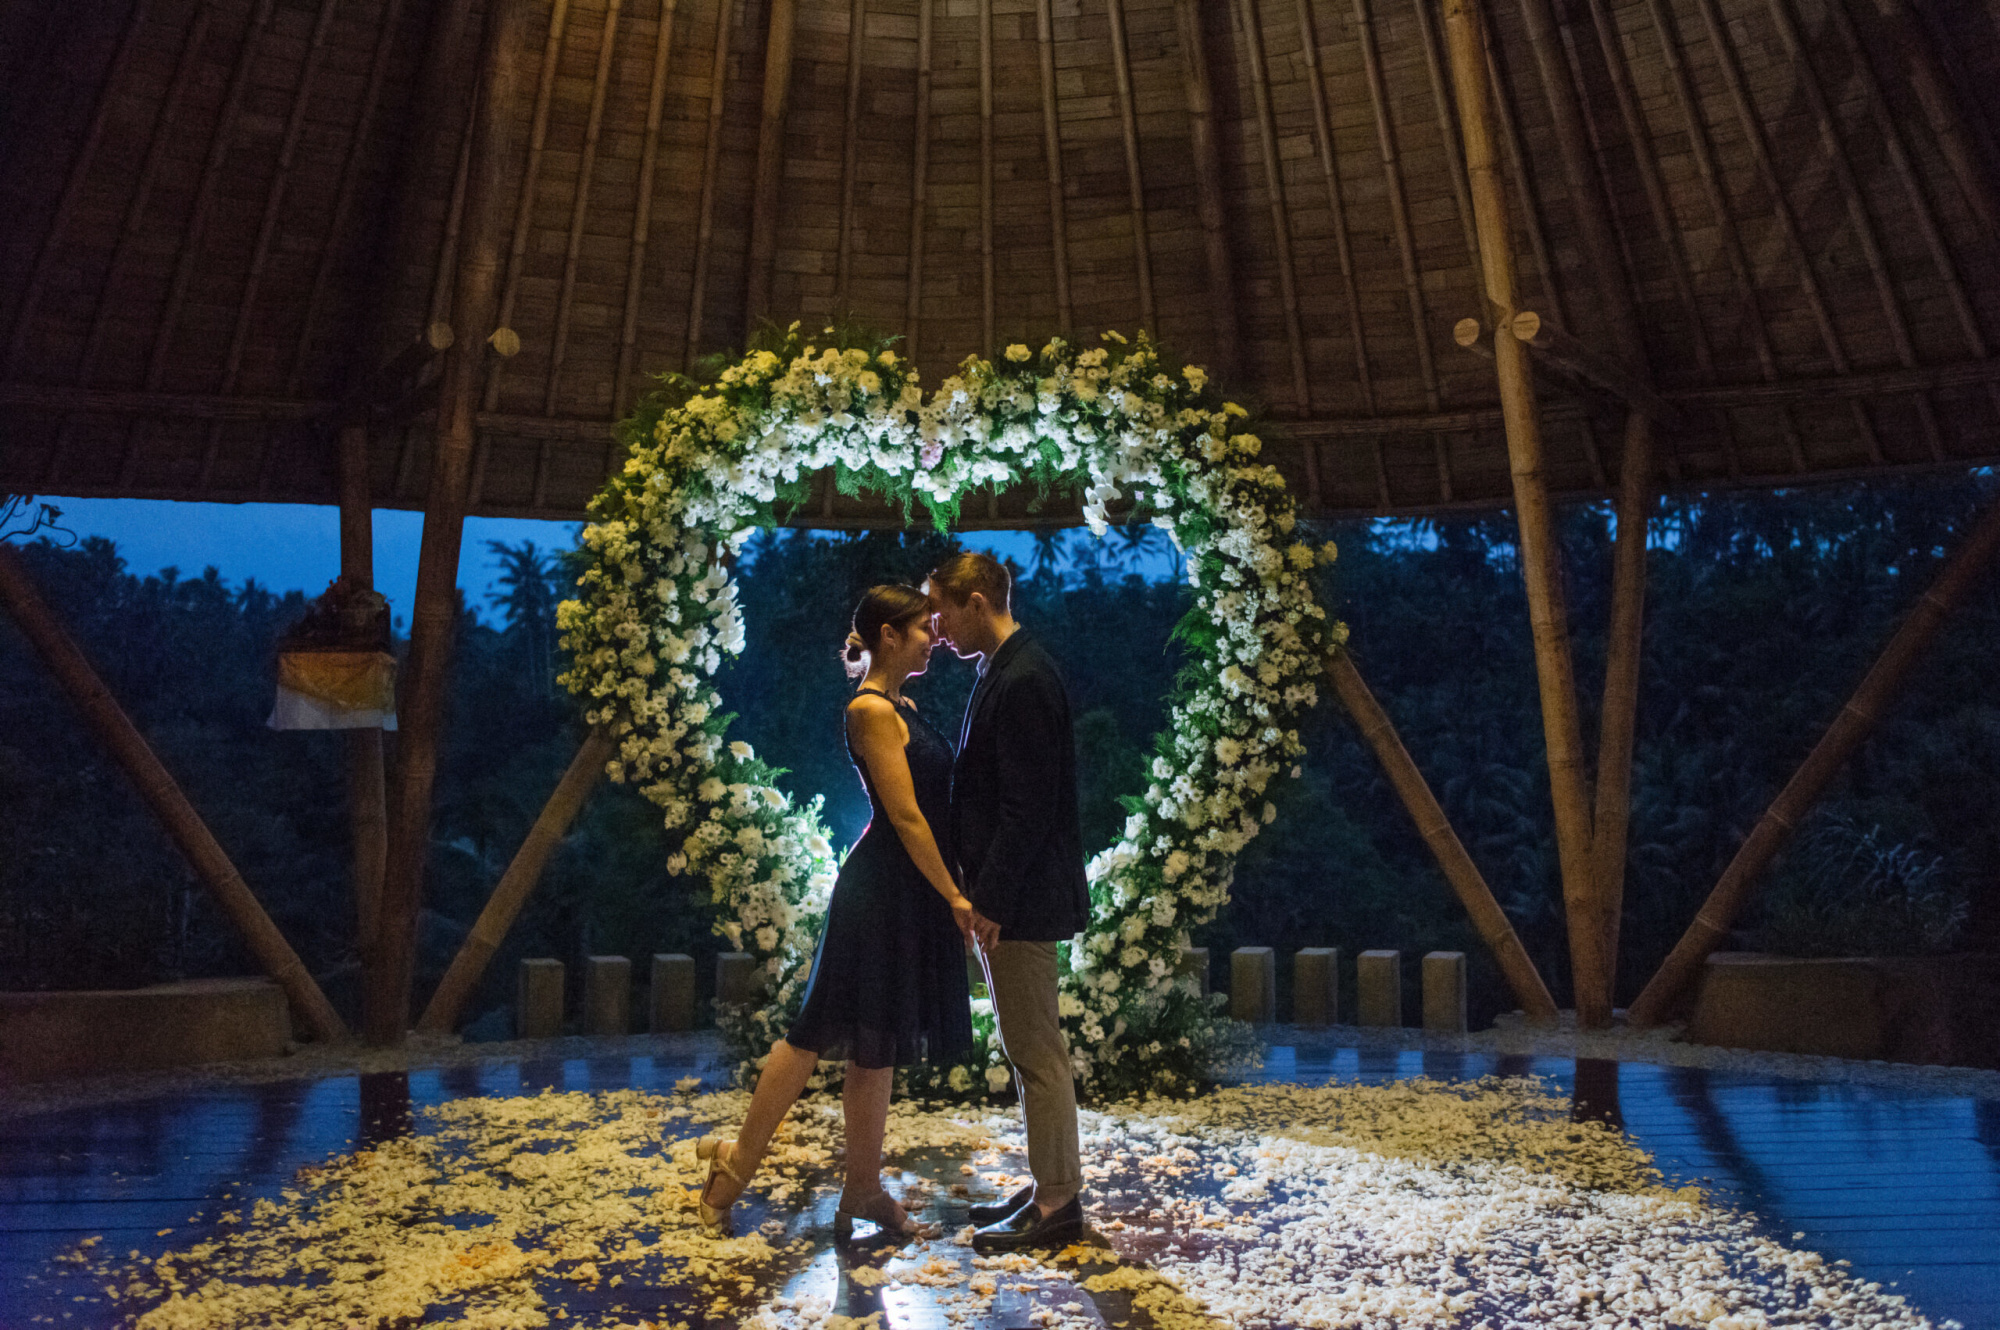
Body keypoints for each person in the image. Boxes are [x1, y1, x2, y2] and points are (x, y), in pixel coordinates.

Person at [694, 584, 984, 1240]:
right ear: (888, 635)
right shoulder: (872, 710)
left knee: (875, 1043)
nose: (933, 637)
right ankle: (732, 1173)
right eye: (920, 628)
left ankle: (861, 1190)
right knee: (814, 1031)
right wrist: (956, 896)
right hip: (880, 889)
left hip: (901, 887)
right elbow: (906, 817)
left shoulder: (900, 702)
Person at [927, 551, 1091, 1252]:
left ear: (974, 600)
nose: (934, 627)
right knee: (1028, 1047)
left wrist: (988, 900)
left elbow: (1028, 809)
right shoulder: (1006, 668)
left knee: (1035, 1051)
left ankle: (1059, 1203)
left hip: (1020, 900)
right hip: (1014, 896)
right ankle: (1050, 1187)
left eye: (940, 609)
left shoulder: (1023, 677)